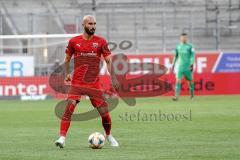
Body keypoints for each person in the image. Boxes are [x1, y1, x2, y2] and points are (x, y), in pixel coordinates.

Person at [55, 15, 119, 148]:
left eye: (94, 24)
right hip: (77, 83)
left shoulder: (101, 42)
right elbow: (67, 59)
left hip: (93, 84)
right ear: (83, 25)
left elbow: (108, 61)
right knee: (69, 107)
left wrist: (113, 77)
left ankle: (108, 135)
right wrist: (66, 73)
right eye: (90, 24)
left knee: (104, 113)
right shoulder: (74, 41)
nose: (93, 26)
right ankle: (62, 137)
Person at [172, 33, 195, 101]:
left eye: (185, 37)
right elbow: (176, 56)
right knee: (178, 80)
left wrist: (191, 64)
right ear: (180, 38)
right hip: (180, 66)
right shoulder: (178, 46)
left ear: (187, 38)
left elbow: (192, 56)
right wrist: (173, 64)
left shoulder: (190, 46)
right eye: (182, 37)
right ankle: (176, 96)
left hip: (187, 66)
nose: (184, 39)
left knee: (190, 81)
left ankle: (192, 96)